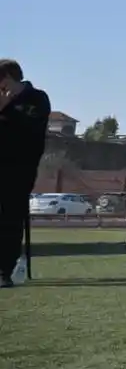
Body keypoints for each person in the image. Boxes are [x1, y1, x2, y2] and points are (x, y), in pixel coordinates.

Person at [0, 60, 50, 288]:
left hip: (20, 168)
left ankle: (4, 271)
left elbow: (31, 129)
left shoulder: (37, 98)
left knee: (10, 218)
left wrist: (8, 104)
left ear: (10, 78)